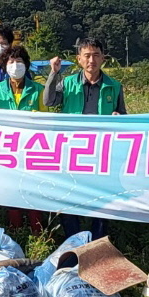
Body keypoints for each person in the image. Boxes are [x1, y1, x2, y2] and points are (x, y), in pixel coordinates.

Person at [43, 37, 126, 239]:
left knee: (101, 194)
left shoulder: (114, 86)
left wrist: (119, 117)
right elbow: (49, 100)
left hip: (101, 150)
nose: (92, 60)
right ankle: (74, 238)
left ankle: (98, 239)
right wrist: (54, 73)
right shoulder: (68, 83)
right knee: (68, 193)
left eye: (96, 55)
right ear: (79, 59)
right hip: (71, 148)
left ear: (103, 58)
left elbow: (123, 116)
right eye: (87, 56)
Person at [0, 44, 48, 232]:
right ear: (5, 66)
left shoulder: (38, 89)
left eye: (19, 61)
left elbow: (45, 117)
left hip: (32, 148)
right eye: (11, 62)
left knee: (33, 189)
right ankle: (15, 230)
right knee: (11, 189)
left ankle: (37, 230)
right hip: (7, 148)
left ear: (27, 65)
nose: (15, 65)